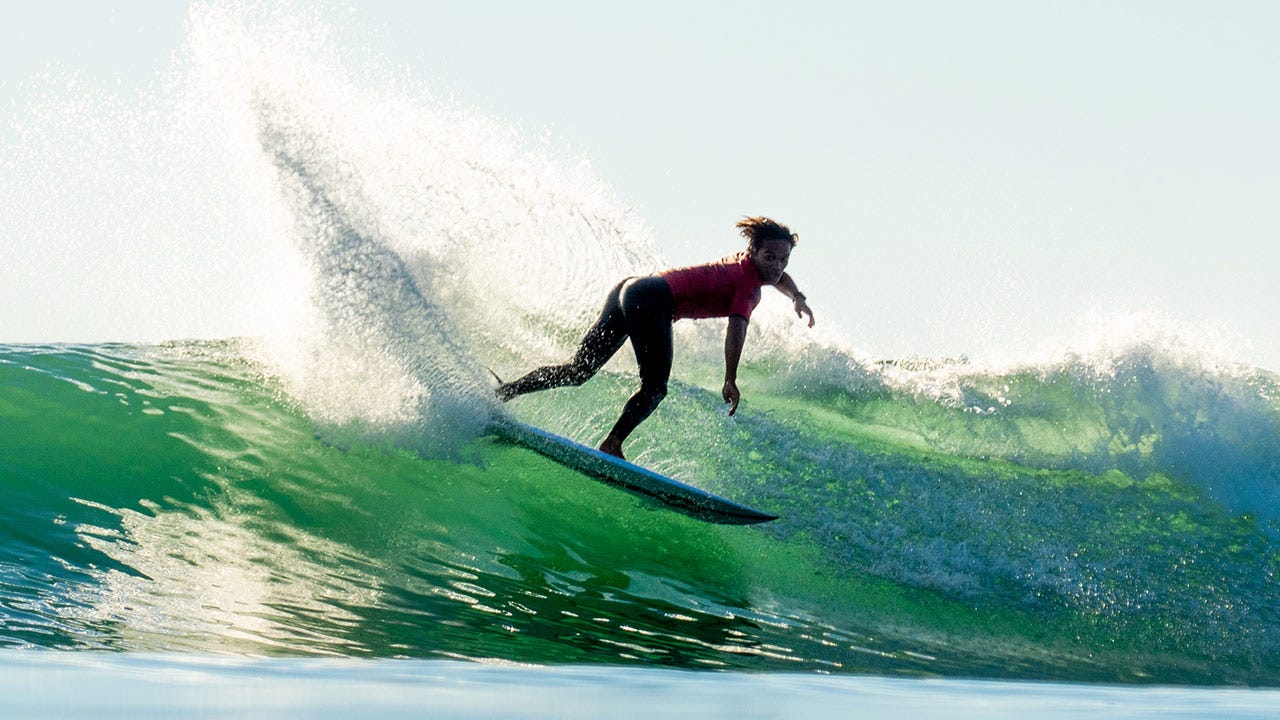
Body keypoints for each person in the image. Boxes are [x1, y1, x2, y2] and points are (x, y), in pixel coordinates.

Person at [497, 216, 815, 459]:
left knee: (578, 370)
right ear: (754, 252)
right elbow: (736, 330)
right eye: (769, 257)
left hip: (631, 289)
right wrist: (730, 378)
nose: (777, 266)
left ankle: (504, 392)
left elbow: (780, 278)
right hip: (654, 301)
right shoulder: (748, 288)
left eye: (783, 259)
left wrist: (797, 296)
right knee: (655, 388)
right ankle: (612, 444)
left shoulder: (745, 265)